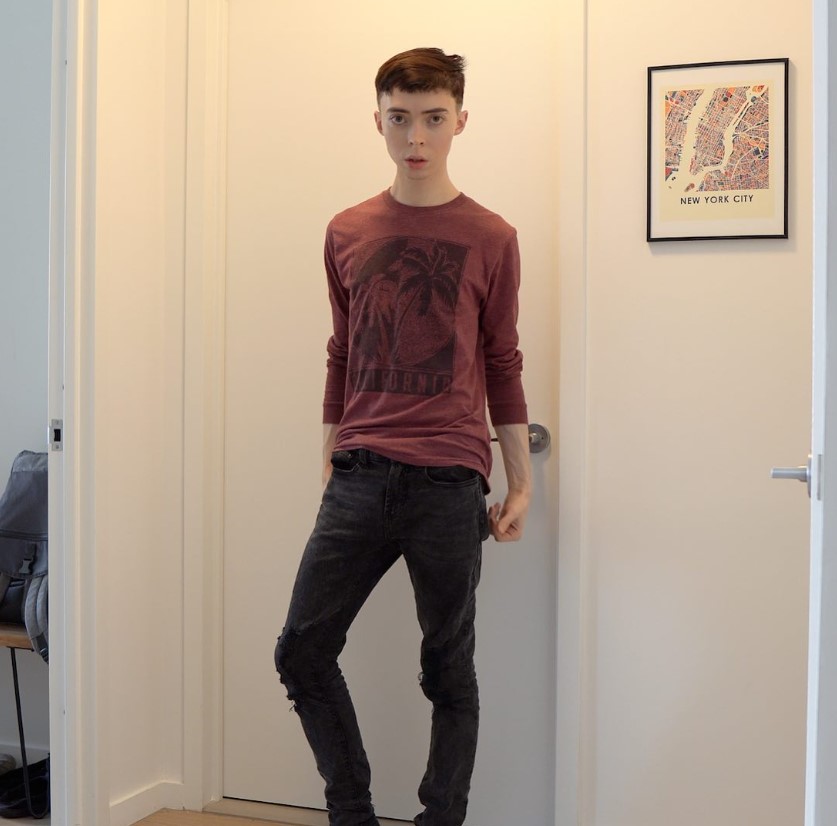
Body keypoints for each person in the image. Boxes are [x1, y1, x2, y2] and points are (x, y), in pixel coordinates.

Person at [274, 47, 532, 826]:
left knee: (447, 671)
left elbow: (501, 360)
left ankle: (439, 819)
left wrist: (519, 483)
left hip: (448, 484)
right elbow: (341, 350)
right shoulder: (346, 230)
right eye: (399, 118)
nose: (415, 136)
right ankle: (350, 812)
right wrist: (328, 451)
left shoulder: (491, 236)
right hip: (358, 474)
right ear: (378, 121)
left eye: (431, 118)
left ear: (459, 121)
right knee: (302, 651)